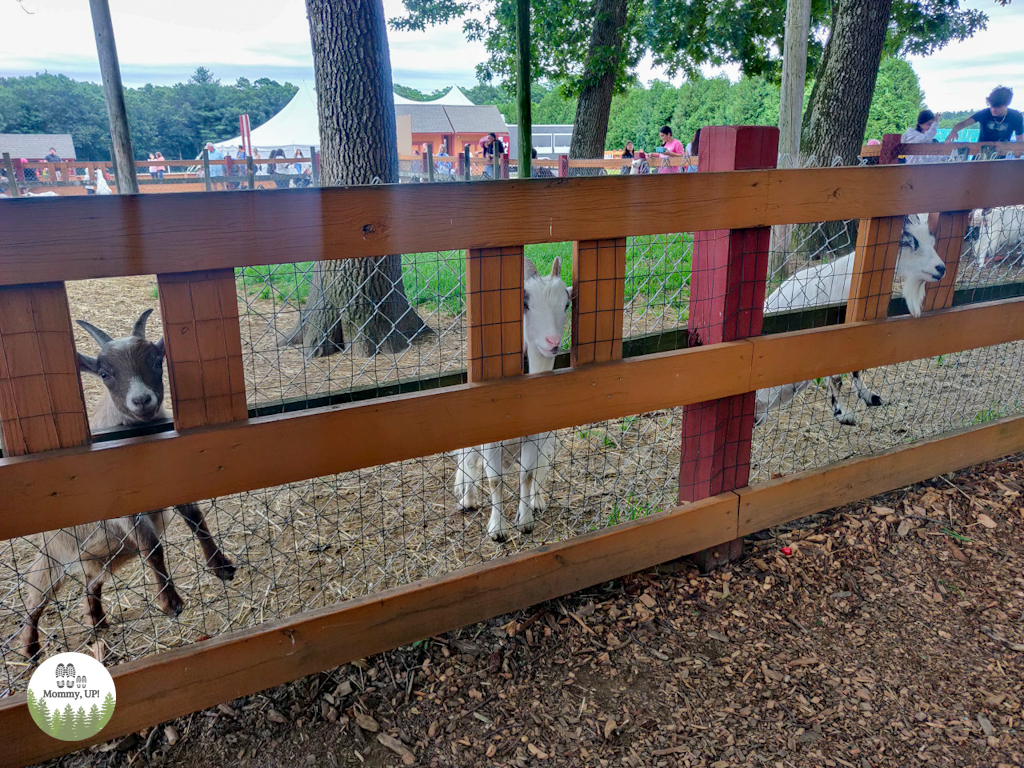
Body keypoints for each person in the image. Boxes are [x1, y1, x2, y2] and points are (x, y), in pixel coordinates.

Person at [945, 86, 1023, 145]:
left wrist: (1017, 160)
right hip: (980, 154)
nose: (993, 109)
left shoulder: (1016, 117)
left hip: (1001, 156)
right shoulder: (984, 113)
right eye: (991, 106)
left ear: (1007, 104)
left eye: (998, 107)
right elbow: (964, 123)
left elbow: (1019, 139)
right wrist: (954, 131)